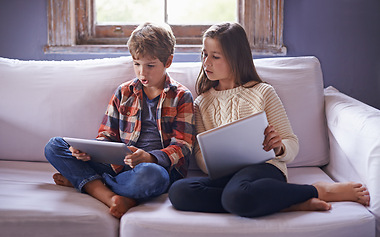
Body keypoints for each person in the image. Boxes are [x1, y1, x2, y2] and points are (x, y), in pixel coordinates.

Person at [168, 22, 370, 218]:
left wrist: (279, 147)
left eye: (215, 56)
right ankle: (283, 204)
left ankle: (316, 190)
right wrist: (214, 160)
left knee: (237, 195)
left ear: (235, 58)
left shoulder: (262, 92)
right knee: (179, 192)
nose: (206, 62)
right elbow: (201, 157)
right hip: (227, 176)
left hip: (264, 169)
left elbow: (291, 142)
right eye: (204, 54)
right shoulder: (202, 102)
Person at [44, 22, 195, 219]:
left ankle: (86, 181)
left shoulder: (181, 96)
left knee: (152, 176)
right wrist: (89, 152)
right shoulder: (124, 92)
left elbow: (183, 146)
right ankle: (110, 195)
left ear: (168, 62)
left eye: (150, 66)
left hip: (153, 168)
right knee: (54, 146)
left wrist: (149, 157)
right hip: (117, 166)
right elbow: (106, 135)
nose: (142, 73)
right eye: (137, 64)